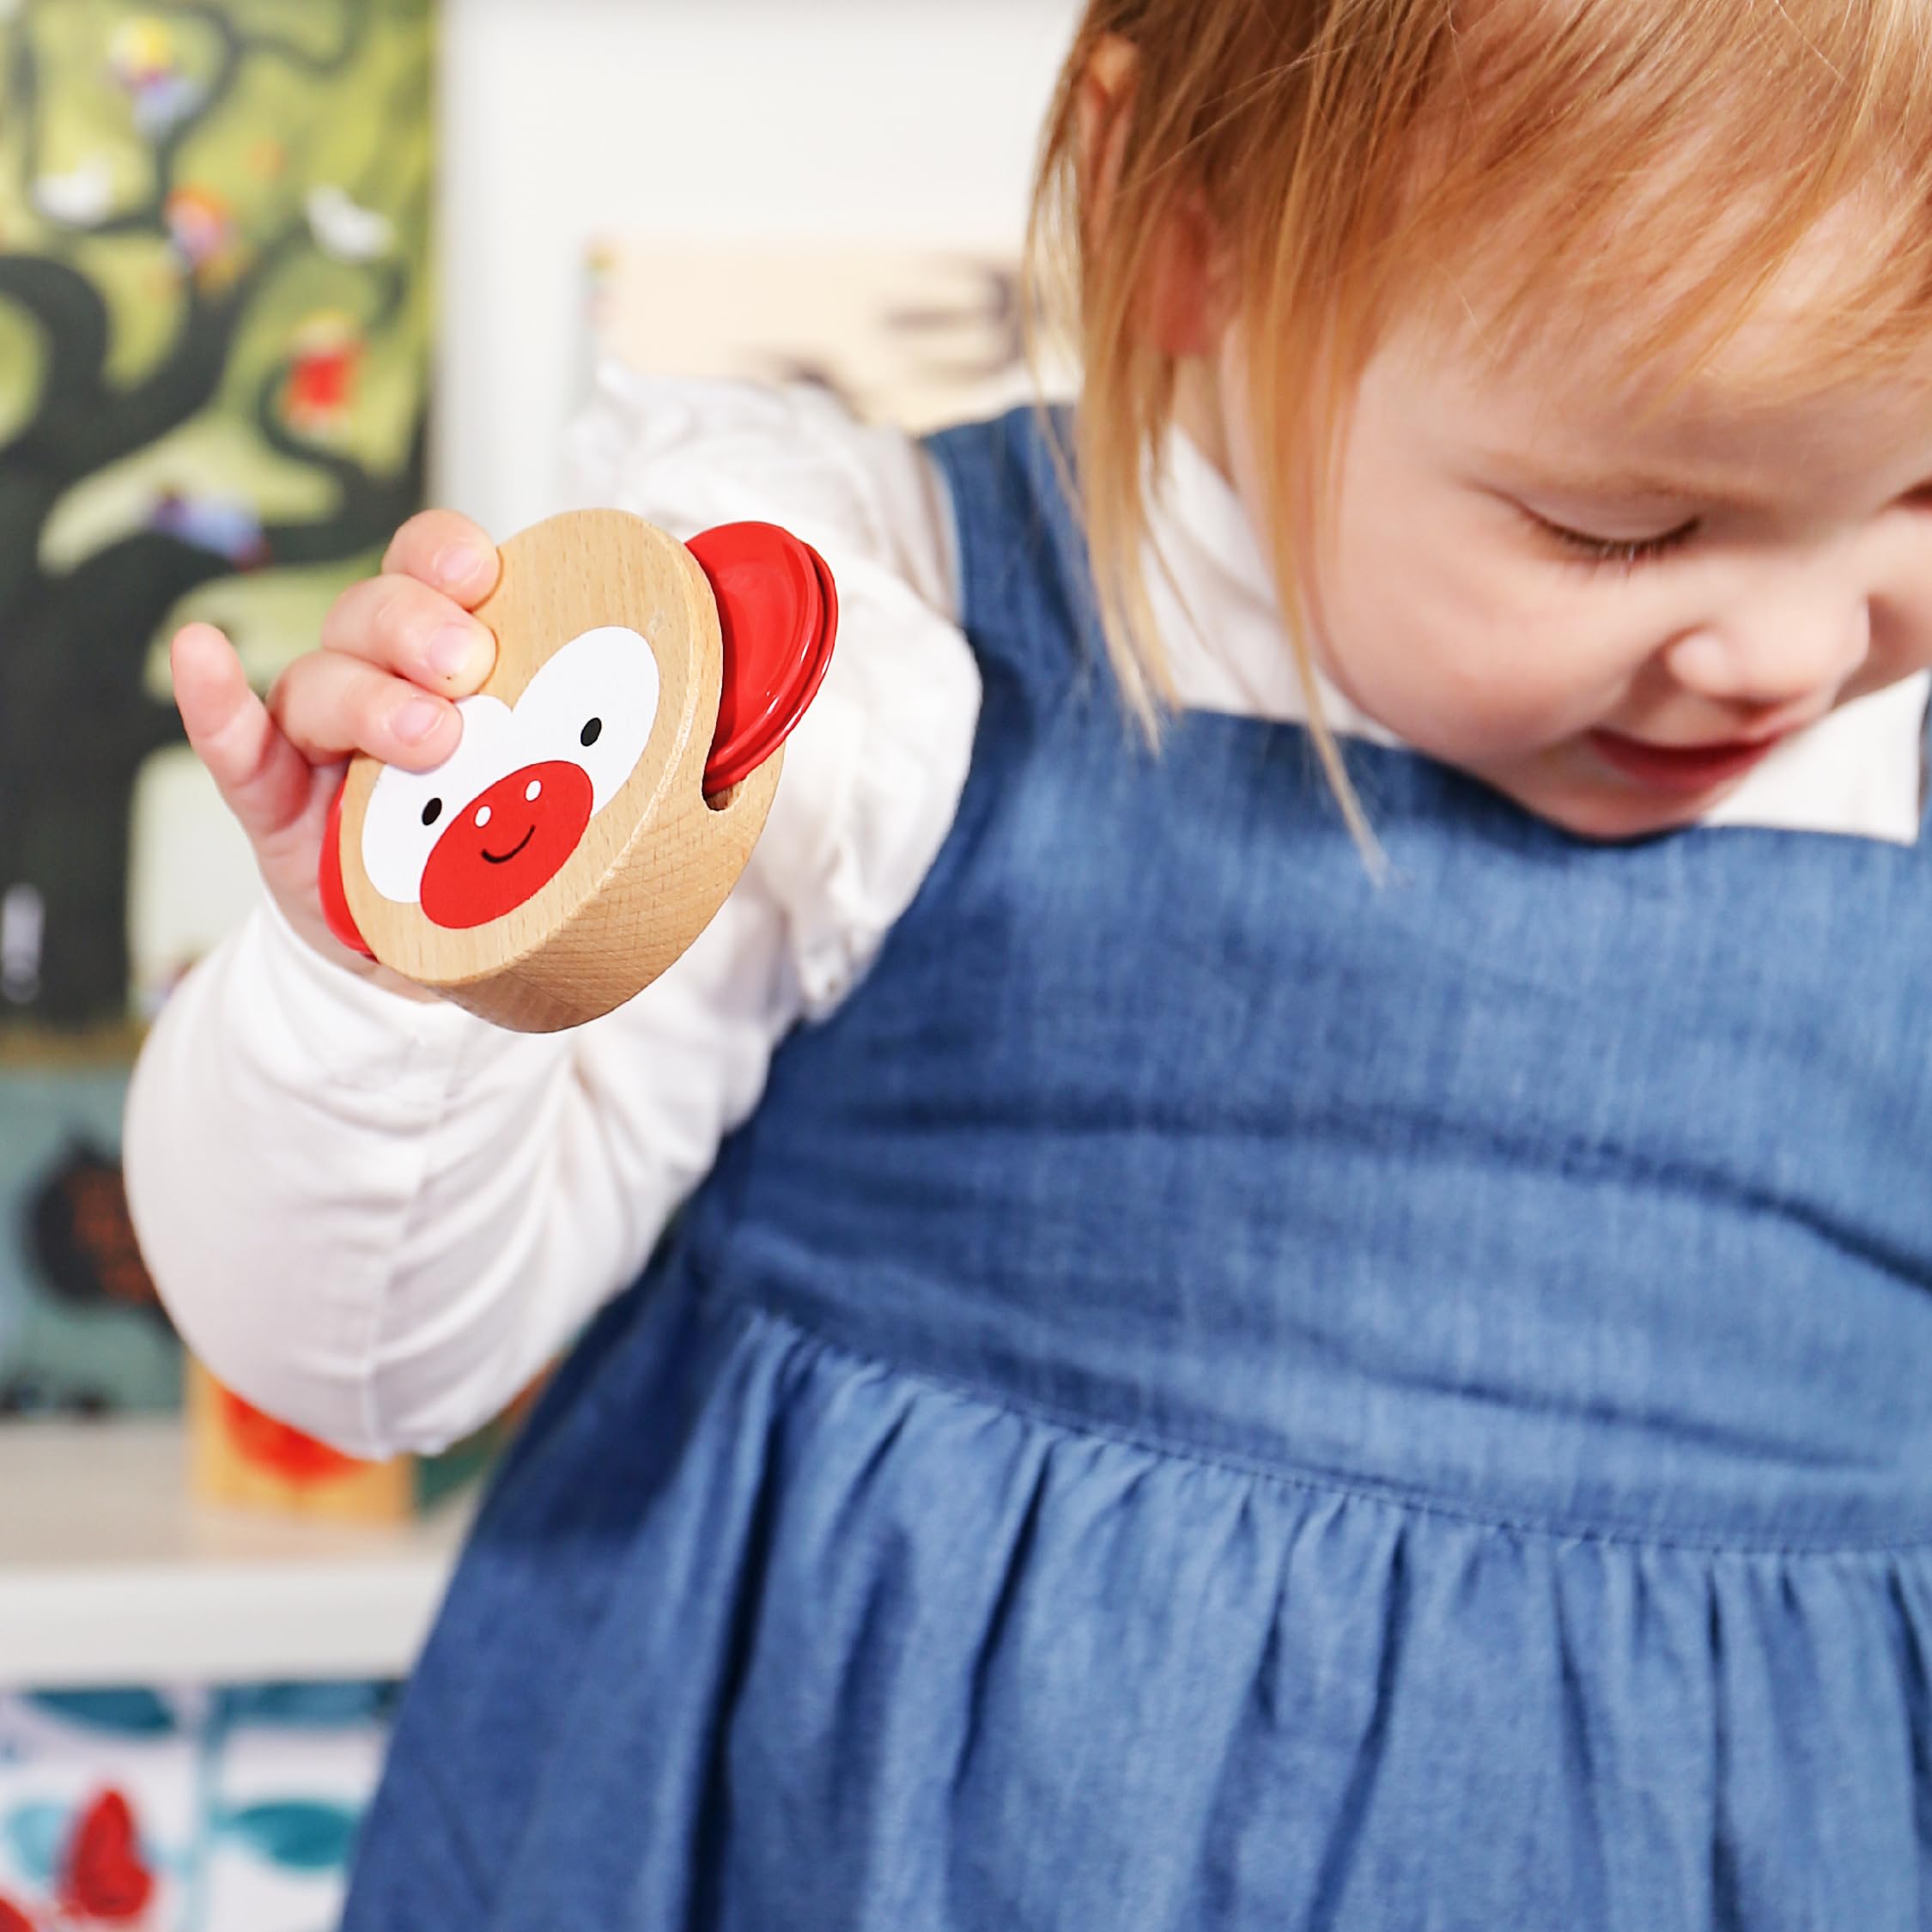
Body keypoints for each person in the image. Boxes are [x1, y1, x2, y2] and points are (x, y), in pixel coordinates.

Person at [125, 1, 1932, 1923]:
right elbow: (368, 1353)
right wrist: (392, 990)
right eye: (1624, 526)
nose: (1792, 652)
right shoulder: (871, 665)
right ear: (1191, 235)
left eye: (1924, 495)